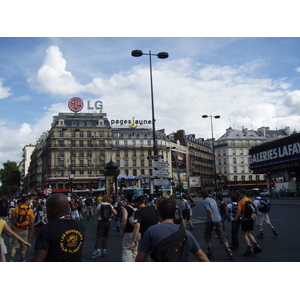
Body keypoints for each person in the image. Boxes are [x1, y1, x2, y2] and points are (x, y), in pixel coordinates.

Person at [135, 198, 209, 262]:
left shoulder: (151, 231)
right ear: (174, 214)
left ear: (159, 214)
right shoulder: (185, 233)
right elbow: (201, 256)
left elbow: (140, 258)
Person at [32, 193, 85, 262]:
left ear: (55, 210)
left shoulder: (47, 229)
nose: (47, 211)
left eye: (48, 208)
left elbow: (39, 260)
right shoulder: (80, 227)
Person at [201, 189, 233, 260]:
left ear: (202, 196)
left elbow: (210, 211)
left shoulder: (205, 201)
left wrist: (212, 222)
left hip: (211, 221)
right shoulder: (212, 200)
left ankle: (211, 251)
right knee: (222, 236)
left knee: (207, 236)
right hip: (218, 219)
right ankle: (228, 251)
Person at [235, 189, 262, 257]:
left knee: (244, 234)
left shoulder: (241, 201)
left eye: (240, 193)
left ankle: (249, 248)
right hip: (252, 218)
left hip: (245, 219)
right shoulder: (250, 200)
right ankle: (255, 244)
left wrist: (235, 219)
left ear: (241, 193)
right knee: (248, 233)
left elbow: (238, 212)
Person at [9, 197, 35, 262]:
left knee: (14, 246)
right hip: (25, 229)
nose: (30, 202)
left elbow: (13, 219)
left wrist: (12, 228)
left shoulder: (16, 208)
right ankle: (23, 259)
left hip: (16, 229)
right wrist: (31, 231)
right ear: (26, 201)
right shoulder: (30, 210)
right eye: (29, 201)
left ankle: (11, 259)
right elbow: (31, 222)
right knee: (24, 246)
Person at [92, 195, 117, 259]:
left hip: (101, 221)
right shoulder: (110, 205)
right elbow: (115, 213)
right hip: (108, 221)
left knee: (99, 235)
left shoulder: (100, 205)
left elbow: (96, 213)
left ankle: (98, 249)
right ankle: (104, 249)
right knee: (105, 236)